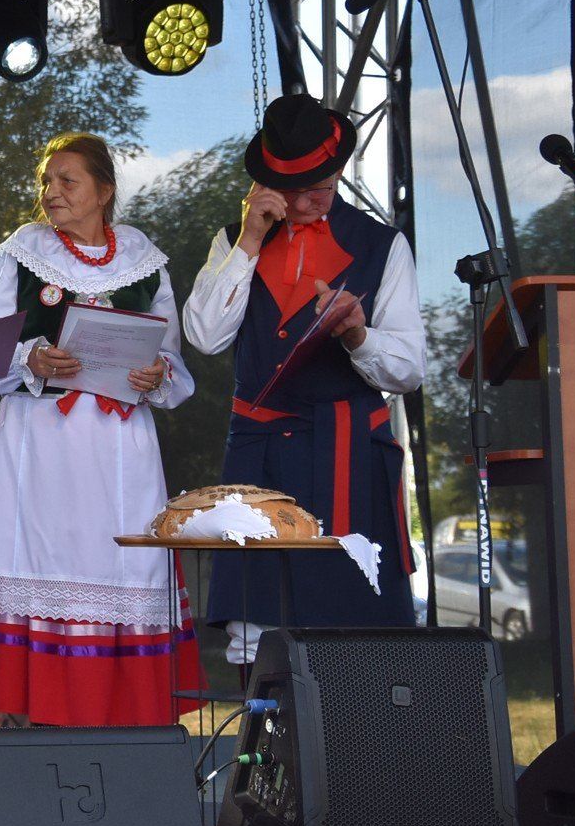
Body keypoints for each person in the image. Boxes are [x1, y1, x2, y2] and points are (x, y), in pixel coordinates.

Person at [182, 95, 424, 662]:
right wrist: (249, 240)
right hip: (259, 452)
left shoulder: (381, 245)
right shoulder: (234, 240)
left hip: (349, 451)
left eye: (320, 187)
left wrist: (358, 335)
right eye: (292, 189)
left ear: (338, 173)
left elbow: (409, 369)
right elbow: (204, 335)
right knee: (253, 625)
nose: (305, 201)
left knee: (361, 625)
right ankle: (259, 721)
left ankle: (357, 722)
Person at [0, 133, 202, 725]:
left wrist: (156, 373)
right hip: (41, 443)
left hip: (119, 448)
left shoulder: (143, 259)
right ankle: (42, 715)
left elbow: (173, 362)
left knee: (121, 562)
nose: (51, 192)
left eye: (66, 181)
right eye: (46, 182)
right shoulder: (21, 252)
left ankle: (128, 716)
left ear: (104, 192)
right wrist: (30, 358)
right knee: (44, 558)